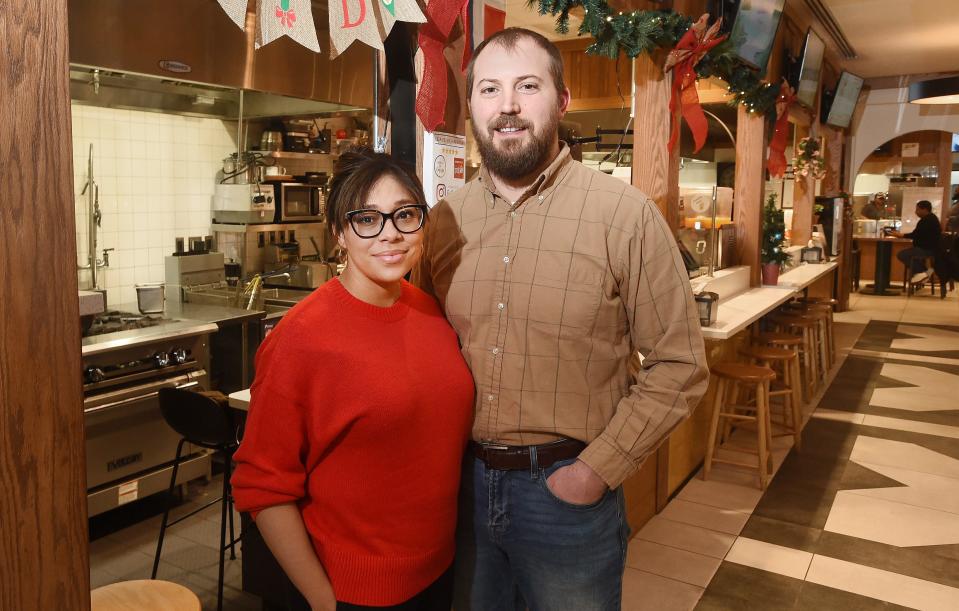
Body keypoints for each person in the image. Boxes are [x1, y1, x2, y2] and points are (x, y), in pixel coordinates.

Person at [413, 27, 709, 610]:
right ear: (471, 106)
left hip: (567, 496)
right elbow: (420, 347)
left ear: (562, 100)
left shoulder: (623, 214)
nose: (508, 107)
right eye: (489, 90)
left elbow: (680, 364)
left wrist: (596, 472)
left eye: (528, 86)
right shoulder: (446, 218)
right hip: (462, 490)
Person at [231, 148, 475, 611]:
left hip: (440, 573)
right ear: (340, 232)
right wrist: (323, 600)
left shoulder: (429, 310)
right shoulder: (301, 338)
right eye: (368, 219)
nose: (391, 235)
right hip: (353, 593)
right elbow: (261, 486)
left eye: (406, 215)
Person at [890, 199, 942, 282]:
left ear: (924, 209)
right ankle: (924, 273)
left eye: (917, 209)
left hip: (927, 249)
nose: (916, 212)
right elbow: (918, 234)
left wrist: (901, 235)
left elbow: (915, 235)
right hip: (931, 248)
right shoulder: (931, 218)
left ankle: (923, 273)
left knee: (902, 254)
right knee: (911, 256)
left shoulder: (926, 220)